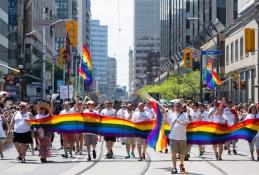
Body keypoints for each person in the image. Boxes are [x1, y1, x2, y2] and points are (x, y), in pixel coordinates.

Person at [166, 102, 190, 174]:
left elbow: (187, 123)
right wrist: (164, 114)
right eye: (176, 106)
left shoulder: (185, 115)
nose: (177, 108)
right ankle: (174, 168)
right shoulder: (171, 115)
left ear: (181, 108)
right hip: (173, 137)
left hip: (182, 137)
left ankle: (181, 164)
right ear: (174, 107)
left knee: (182, 154)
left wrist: (183, 123)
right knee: (173, 153)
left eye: (179, 106)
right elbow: (165, 123)